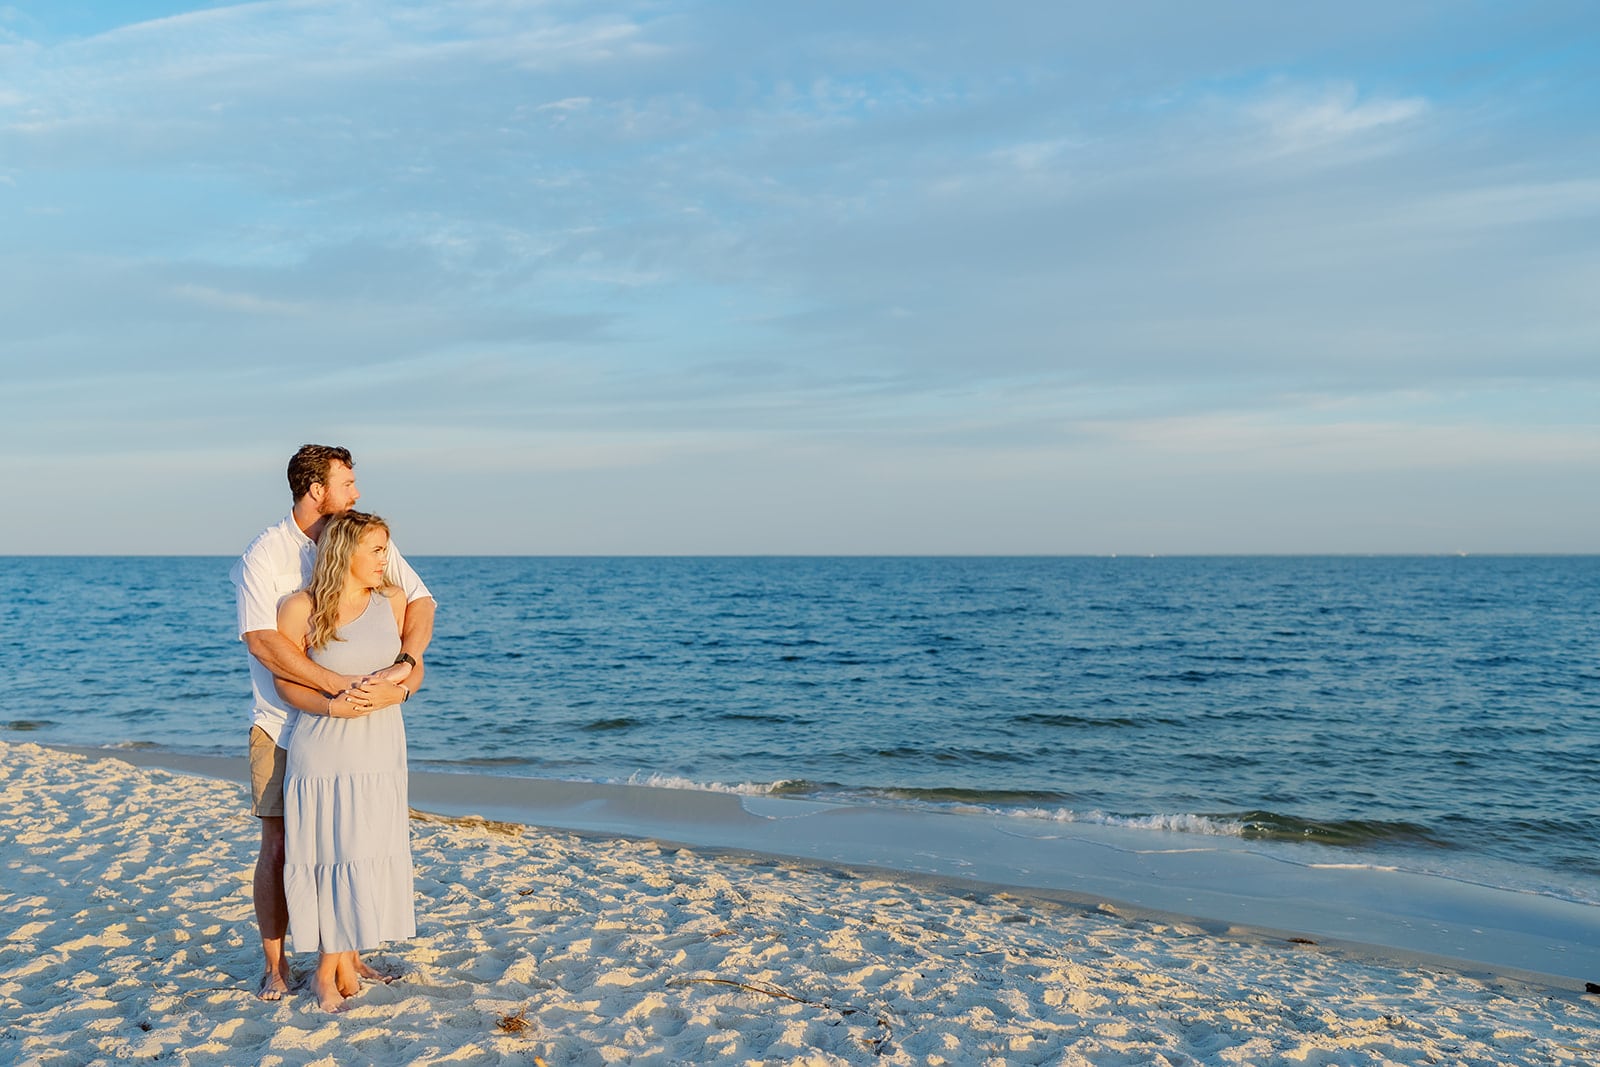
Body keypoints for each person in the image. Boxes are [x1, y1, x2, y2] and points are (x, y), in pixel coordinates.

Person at [230, 444, 435, 1001]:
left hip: (359, 729)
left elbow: (418, 601)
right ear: (316, 489)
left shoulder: (360, 538)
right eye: (347, 483)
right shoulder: (266, 554)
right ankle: (275, 966)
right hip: (282, 723)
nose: (356, 492)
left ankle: (347, 957)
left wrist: (404, 668)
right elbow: (263, 642)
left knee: (353, 839)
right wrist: (336, 691)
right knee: (282, 846)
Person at [273, 510, 416, 1012]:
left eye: (385, 549)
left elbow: (413, 669)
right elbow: (285, 682)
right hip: (326, 747)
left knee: (366, 847)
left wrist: (399, 693)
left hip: (381, 746)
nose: (385, 559)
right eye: (375, 549)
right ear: (344, 552)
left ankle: (344, 963)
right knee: (334, 851)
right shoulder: (301, 607)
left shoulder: (392, 600)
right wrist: (331, 706)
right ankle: (324, 972)